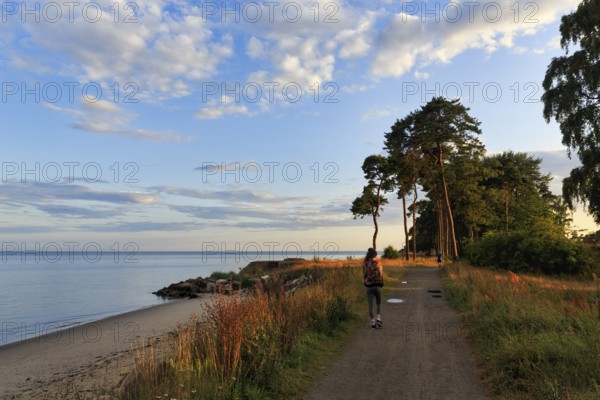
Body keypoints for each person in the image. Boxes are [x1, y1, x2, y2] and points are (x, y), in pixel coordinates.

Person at [363, 247, 384, 329]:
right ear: (375, 255)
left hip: (369, 286)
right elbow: (381, 274)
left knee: (370, 305)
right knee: (378, 303)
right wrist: (382, 284)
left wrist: (366, 281)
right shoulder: (379, 263)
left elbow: (364, 276)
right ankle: (378, 319)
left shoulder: (365, 263)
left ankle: (372, 323)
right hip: (378, 285)